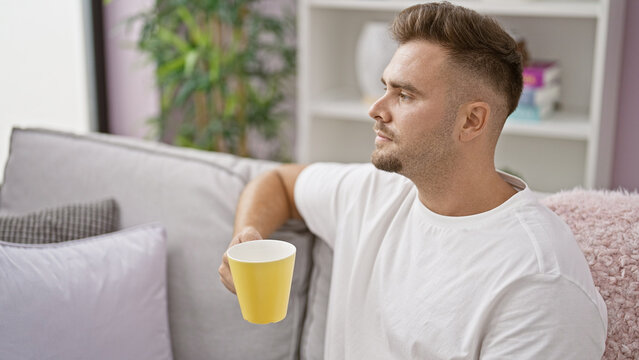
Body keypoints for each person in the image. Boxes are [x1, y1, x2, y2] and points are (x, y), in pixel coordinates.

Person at [218, 2, 607, 359]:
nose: (376, 108)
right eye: (386, 86)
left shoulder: (540, 285)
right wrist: (247, 236)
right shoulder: (374, 192)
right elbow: (279, 182)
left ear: (472, 120)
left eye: (404, 95)